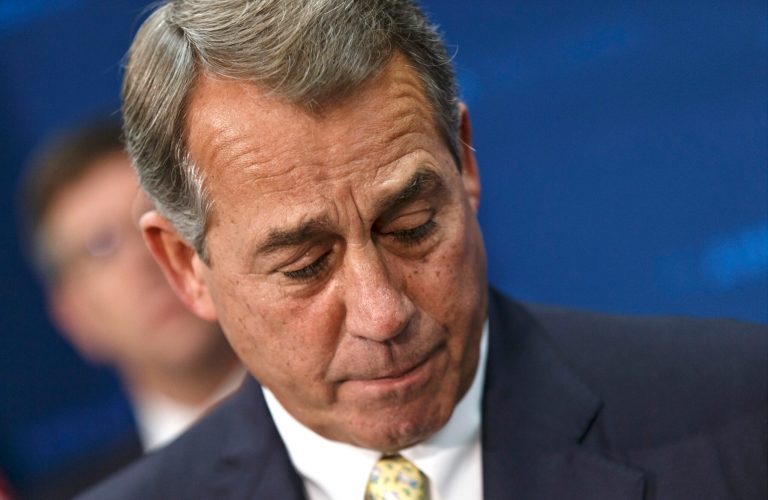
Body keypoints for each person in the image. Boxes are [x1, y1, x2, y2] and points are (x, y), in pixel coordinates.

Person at [82, 1, 766, 499]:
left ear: (464, 162)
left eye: (411, 225)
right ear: (184, 266)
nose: (383, 314)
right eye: (305, 266)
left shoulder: (740, 415)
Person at [20, 120, 244, 496]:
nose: (146, 258)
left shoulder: (358, 414)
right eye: (102, 246)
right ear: (73, 316)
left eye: (154, 215)